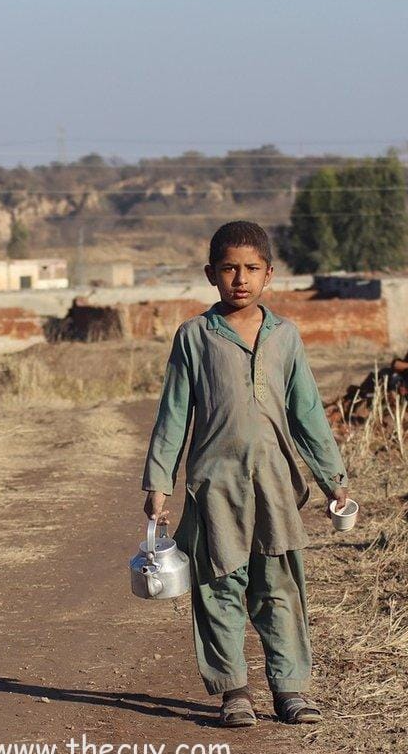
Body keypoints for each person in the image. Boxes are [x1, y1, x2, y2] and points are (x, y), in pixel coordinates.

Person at [140, 221, 350, 728]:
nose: (241, 278)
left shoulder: (286, 337)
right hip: (214, 487)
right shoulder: (194, 337)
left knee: (279, 588)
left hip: (276, 487)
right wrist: (158, 483)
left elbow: (308, 416)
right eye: (230, 268)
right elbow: (173, 414)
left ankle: (291, 690)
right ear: (211, 274)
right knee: (219, 586)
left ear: (269, 275)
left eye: (252, 269)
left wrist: (334, 481)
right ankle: (233, 690)